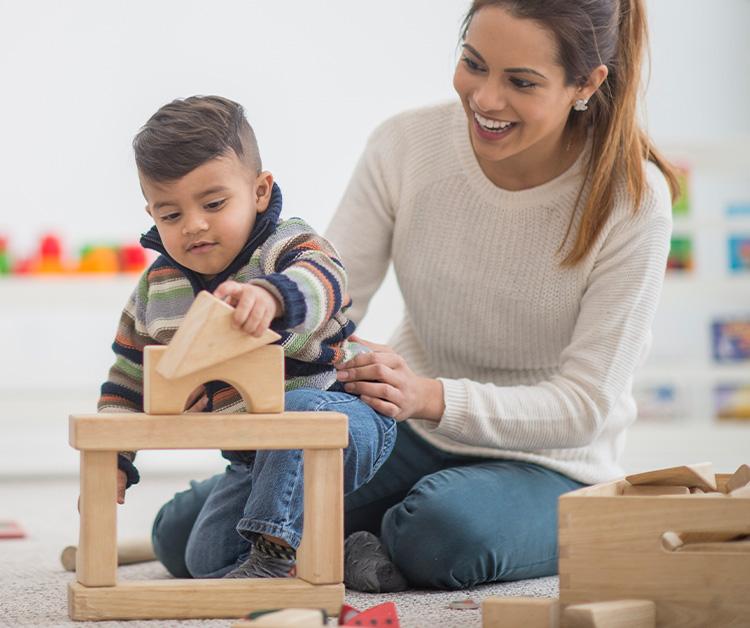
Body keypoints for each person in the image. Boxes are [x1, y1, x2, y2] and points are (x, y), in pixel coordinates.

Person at [150, 0, 679, 592]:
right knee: (182, 536)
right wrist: (224, 367)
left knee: (438, 535)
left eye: (522, 82)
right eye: (473, 64)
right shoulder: (405, 145)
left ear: (587, 83)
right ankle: (358, 544)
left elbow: (585, 407)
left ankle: (375, 536)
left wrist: (428, 395)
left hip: (551, 460)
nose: (485, 99)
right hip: (404, 426)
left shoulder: (634, 200)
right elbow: (329, 301)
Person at [99, 95, 396, 580]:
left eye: (214, 204)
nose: (194, 224)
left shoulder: (288, 246)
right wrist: (115, 455)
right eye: (170, 215)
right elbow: (128, 381)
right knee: (202, 559)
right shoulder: (156, 291)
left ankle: (273, 560)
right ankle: (342, 548)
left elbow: (326, 279)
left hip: (342, 419)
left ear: (259, 191)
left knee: (295, 416)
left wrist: (275, 297)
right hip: (252, 458)